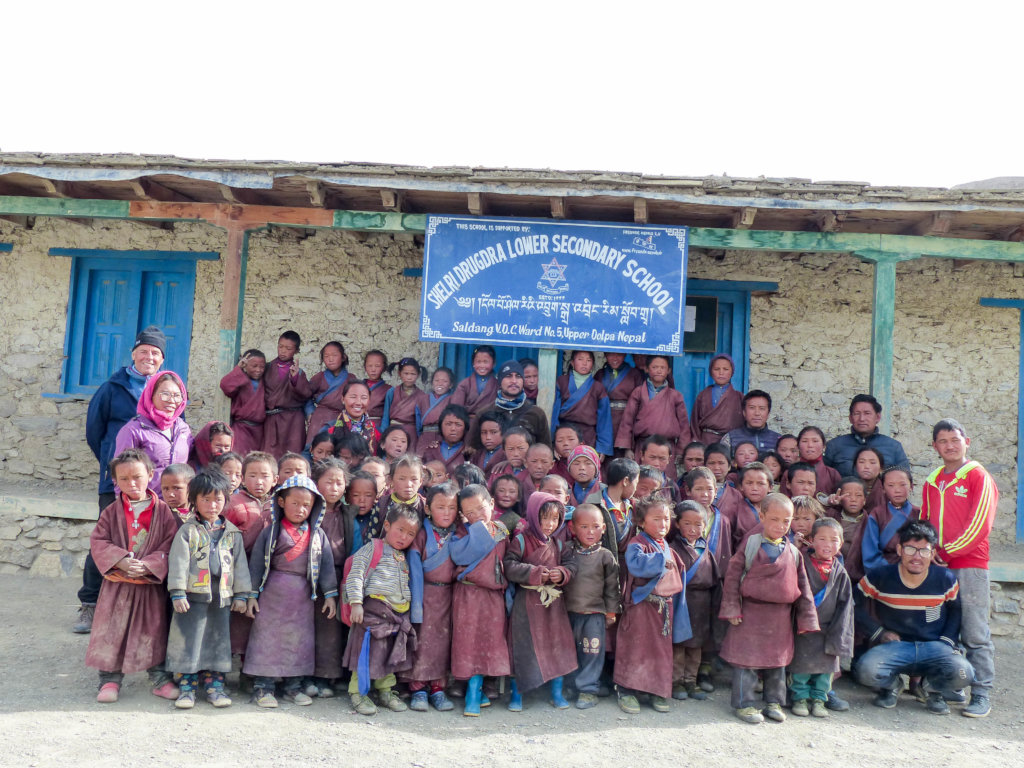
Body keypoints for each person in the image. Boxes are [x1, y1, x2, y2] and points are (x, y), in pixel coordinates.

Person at [85, 448, 179, 703]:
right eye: (124, 479)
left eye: (137, 477)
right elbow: (99, 541)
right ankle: (109, 680)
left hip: (148, 585)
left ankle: (159, 678)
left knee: (152, 630)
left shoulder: (163, 512)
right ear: (115, 481)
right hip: (118, 584)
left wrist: (149, 564)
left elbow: (170, 544)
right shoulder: (111, 511)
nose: (132, 484)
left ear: (150, 475)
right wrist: (121, 560)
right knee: (112, 630)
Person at [920, 418, 998, 717]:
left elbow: (980, 525)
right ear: (934, 446)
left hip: (969, 564)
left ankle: (981, 693)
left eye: (955, 439)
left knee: (974, 632)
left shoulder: (978, 476)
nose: (949, 445)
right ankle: (945, 687)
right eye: (943, 441)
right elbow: (925, 521)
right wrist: (928, 551)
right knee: (938, 628)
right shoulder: (932, 480)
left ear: (967, 441)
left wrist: (945, 552)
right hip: (938, 565)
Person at [855, 520, 974, 716]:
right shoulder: (881, 577)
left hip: (934, 647)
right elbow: (853, 604)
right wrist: (879, 633)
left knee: (964, 673)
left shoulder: (945, 579)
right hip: (896, 647)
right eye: (910, 549)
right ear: (899, 549)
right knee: (865, 670)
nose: (917, 557)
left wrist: (946, 642)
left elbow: (955, 611)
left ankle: (933, 690)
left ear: (932, 554)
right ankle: (892, 686)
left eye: (924, 551)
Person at [719, 493, 818, 724]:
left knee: (777, 662)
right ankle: (744, 704)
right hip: (750, 613)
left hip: (780, 617)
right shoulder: (751, 545)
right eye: (774, 519)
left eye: (786, 521)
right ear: (762, 517)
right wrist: (732, 608)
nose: (780, 526)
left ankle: (774, 702)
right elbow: (732, 576)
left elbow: (803, 587)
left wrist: (807, 619)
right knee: (746, 661)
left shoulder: (793, 552)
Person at [244, 474, 339, 708]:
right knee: (267, 640)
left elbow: (326, 565)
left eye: (306, 505)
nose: (300, 509)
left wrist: (330, 595)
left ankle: (293, 686)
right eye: (294, 503)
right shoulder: (271, 532)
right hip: (272, 596)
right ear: (281, 502)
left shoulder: (317, 536)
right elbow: (257, 564)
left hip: (302, 598)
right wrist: (252, 594)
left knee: (298, 642)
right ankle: (264, 687)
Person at [165, 470, 250, 709]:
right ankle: (187, 688)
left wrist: (242, 594)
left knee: (218, 640)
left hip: (221, 597)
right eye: (205, 499)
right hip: (192, 597)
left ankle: (215, 686)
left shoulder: (232, 533)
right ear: (194, 500)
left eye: (218, 499)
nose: (212, 505)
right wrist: (177, 592)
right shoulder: (187, 531)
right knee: (189, 640)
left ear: (226, 500)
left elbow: (240, 565)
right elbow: (178, 562)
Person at [343, 504, 421, 715]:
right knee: (365, 652)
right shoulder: (373, 548)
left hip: (396, 614)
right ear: (387, 525)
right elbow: (356, 574)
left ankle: (385, 691)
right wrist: (356, 603)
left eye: (410, 534)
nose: (404, 537)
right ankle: (358, 693)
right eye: (400, 530)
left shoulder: (402, 556)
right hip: (373, 612)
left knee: (387, 654)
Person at [613, 495, 688, 714]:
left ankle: (656, 691)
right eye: (656, 519)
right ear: (641, 521)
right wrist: (659, 561)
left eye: (666, 519)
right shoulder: (637, 544)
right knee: (635, 648)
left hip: (664, 609)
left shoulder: (666, 546)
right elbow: (635, 565)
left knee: (659, 652)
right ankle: (627, 690)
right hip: (642, 607)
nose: (663, 524)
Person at [504, 492, 578, 711]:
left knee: (558, 645)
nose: (550, 524)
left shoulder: (558, 543)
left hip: (553, 605)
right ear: (533, 516)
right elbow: (509, 566)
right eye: (544, 518)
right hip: (527, 603)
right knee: (523, 648)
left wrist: (562, 573)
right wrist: (535, 573)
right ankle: (517, 696)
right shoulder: (520, 540)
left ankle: (556, 693)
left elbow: (571, 565)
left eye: (555, 519)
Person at [449, 484, 511, 716]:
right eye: (470, 512)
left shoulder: (502, 531)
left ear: (492, 504)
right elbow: (460, 556)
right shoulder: (461, 533)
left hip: (493, 598)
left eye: (481, 508)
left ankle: (481, 688)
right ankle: (472, 694)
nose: (476, 515)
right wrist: (477, 528)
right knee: (468, 643)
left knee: (489, 641)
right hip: (468, 596)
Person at [788, 518, 854, 719]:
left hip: (829, 629)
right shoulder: (801, 563)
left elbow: (845, 606)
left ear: (841, 544)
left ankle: (819, 699)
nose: (828, 544)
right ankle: (799, 698)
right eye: (822, 539)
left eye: (834, 540)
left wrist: (840, 633)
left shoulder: (840, 573)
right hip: (803, 627)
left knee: (826, 669)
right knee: (801, 665)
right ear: (812, 540)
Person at [405, 482, 460, 712]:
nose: (447, 513)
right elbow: (414, 568)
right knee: (422, 642)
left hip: (449, 596)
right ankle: (418, 688)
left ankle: (438, 689)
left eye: (452, 508)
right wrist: (416, 603)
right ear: (428, 508)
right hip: (424, 594)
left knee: (443, 643)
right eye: (441, 507)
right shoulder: (421, 534)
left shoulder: (459, 533)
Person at [562, 503, 619, 709]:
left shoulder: (605, 556)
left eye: (595, 527)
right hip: (568, 612)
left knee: (592, 651)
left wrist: (611, 612)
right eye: (584, 527)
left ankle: (588, 689)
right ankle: (570, 686)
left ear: (603, 528)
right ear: (572, 528)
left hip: (595, 613)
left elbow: (612, 587)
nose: (590, 532)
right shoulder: (566, 550)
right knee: (569, 650)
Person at [670, 499, 724, 702]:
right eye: (687, 523)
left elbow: (715, 581)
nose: (693, 529)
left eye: (698, 524)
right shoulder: (672, 549)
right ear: (677, 524)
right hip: (681, 602)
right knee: (679, 645)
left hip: (702, 605)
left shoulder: (705, 550)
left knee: (696, 646)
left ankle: (691, 681)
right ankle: (676, 681)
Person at [114, 371, 193, 496]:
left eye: (177, 395)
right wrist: (128, 504)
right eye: (165, 394)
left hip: (178, 502)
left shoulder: (183, 428)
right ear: (151, 395)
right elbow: (120, 472)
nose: (172, 400)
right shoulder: (134, 430)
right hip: (147, 502)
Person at [309, 457, 349, 698]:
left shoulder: (347, 512)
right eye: (328, 482)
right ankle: (305, 676)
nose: (334, 488)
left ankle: (326, 677)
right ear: (316, 483)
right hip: (311, 575)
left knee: (330, 631)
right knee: (308, 628)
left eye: (339, 483)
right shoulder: (309, 510)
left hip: (337, 575)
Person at [615, 355, 691, 472]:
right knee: (641, 478)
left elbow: (684, 426)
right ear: (646, 369)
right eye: (655, 367)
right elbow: (627, 421)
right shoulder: (638, 392)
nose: (659, 371)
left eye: (662, 367)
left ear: (668, 371)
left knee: (665, 480)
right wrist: (628, 448)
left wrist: (681, 450)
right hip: (643, 445)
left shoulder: (675, 396)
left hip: (666, 447)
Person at [824, 394, 910, 477]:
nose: (862, 419)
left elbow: (905, 479)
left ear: (877, 417)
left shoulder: (894, 447)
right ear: (850, 418)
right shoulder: (834, 446)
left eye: (867, 413)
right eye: (857, 413)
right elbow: (823, 478)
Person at [551, 350, 613, 456]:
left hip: (588, 435)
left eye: (588, 360)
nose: (584, 363)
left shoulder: (598, 387)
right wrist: (553, 441)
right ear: (572, 362)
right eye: (580, 359)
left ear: (593, 364)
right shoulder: (562, 382)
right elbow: (554, 413)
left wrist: (602, 448)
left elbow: (604, 420)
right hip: (564, 433)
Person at [262, 330, 312, 459]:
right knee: (269, 457)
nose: (283, 351)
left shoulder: (299, 372)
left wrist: (295, 378)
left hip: (293, 420)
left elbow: (305, 394)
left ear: (296, 350)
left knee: (293, 456)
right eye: (280, 346)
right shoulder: (266, 368)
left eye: (288, 348)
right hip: (271, 419)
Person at [219, 349, 267, 457]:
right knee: (239, 457)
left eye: (262, 367)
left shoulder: (265, 382)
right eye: (254, 366)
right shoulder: (241, 380)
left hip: (260, 430)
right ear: (246, 365)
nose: (258, 370)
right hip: (241, 428)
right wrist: (239, 368)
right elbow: (225, 385)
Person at [492, 360, 551, 447]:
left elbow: (545, 448)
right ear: (500, 381)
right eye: (508, 376)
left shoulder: (537, 413)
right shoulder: (487, 411)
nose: (514, 381)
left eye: (518, 376)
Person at [690, 353, 744, 445]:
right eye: (716, 369)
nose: (721, 373)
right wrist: (697, 443)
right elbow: (694, 423)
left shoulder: (739, 397)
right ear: (711, 372)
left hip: (730, 442)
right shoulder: (703, 395)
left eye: (725, 369)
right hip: (706, 441)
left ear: (732, 372)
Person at [594, 352, 645, 447]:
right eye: (611, 354)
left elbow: (640, 400)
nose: (615, 358)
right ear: (605, 355)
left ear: (625, 355)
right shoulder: (600, 374)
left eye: (619, 355)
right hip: (604, 418)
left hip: (626, 419)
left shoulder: (634, 374)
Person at [381, 357, 430, 453]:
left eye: (413, 374)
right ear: (400, 373)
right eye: (406, 373)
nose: (409, 377)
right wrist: (384, 435)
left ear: (418, 375)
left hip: (411, 434)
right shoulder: (392, 392)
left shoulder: (422, 396)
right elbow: (385, 416)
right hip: (393, 431)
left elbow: (421, 422)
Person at [305, 341, 351, 443]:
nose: (330, 359)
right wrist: (310, 412)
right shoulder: (319, 377)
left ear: (343, 357)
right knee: (315, 445)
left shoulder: (351, 379)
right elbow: (306, 396)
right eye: (326, 356)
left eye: (334, 355)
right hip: (319, 418)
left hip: (340, 419)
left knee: (338, 445)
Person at [326, 379, 381, 454]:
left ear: (369, 401)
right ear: (343, 399)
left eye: (364, 398)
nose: (358, 402)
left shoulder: (375, 432)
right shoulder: (330, 429)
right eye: (353, 397)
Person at [450, 345, 499, 430]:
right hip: (468, 425)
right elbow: (456, 409)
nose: (482, 365)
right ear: (473, 363)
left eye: (486, 362)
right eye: (478, 362)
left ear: (494, 363)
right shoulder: (464, 384)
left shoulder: (498, 384)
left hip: (491, 425)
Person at [722, 389, 780, 454]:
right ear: (744, 412)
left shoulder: (778, 439)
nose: (757, 413)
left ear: (768, 413)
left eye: (762, 408)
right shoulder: (730, 438)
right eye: (752, 408)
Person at [419, 404, 469, 476]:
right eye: (448, 424)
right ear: (440, 426)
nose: (453, 428)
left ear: (465, 428)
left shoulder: (468, 452)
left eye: (458, 424)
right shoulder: (431, 450)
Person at [420, 366, 455, 442]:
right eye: (436, 380)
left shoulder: (453, 400)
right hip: (424, 438)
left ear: (451, 385)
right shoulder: (423, 399)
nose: (440, 384)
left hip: (443, 438)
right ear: (432, 383)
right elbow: (417, 422)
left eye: (444, 381)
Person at [361, 349, 392, 429]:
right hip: (357, 426)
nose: (373, 369)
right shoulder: (357, 386)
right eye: (370, 366)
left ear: (384, 367)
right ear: (365, 367)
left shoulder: (388, 390)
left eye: (377, 366)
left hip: (377, 427)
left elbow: (387, 415)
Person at [469, 410, 506, 476]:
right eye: (484, 433)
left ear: (503, 433)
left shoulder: (507, 454)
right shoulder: (477, 455)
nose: (488, 437)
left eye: (493, 432)